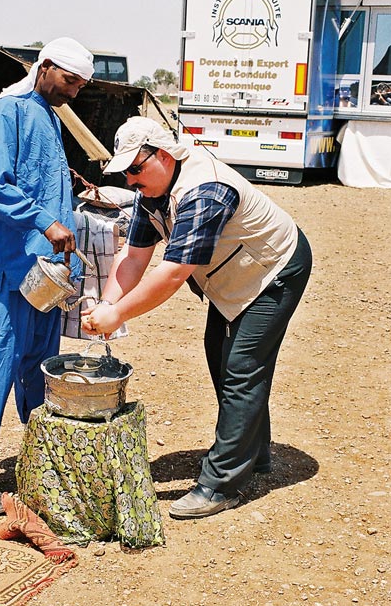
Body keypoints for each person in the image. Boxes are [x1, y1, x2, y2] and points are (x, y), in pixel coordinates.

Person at [81, 116, 312, 520]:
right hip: (232, 277)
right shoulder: (152, 191)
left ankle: (220, 485)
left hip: (273, 271)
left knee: (242, 367)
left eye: (136, 169)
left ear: (164, 154)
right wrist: (107, 304)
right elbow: (135, 256)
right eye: (126, 173)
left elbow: (172, 272)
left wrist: (116, 314)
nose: (132, 181)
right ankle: (252, 453)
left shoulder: (204, 191)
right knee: (220, 355)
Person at [0, 37, 94, 515]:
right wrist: (45, 221)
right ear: (46, 67)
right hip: (5, 266)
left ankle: (37, 454)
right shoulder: (8, 109)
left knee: (39, 361)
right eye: (70, 80)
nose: (74, 92)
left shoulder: (51, 116)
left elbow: (46, 182)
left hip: (44, 272)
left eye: (81, 84)